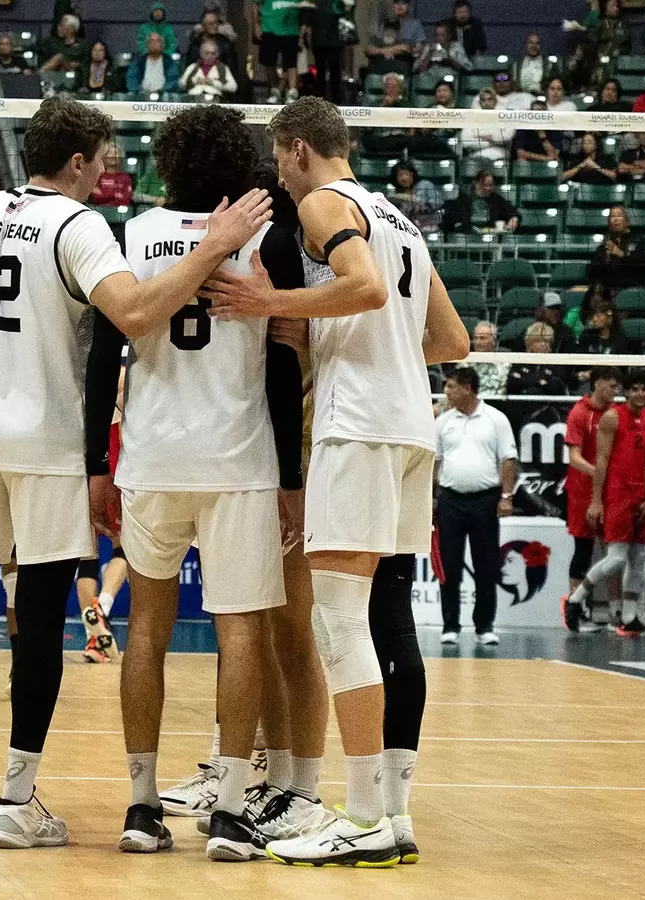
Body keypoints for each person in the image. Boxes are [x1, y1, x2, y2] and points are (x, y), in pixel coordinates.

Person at [0, 96, 273, 850]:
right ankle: (16, 804)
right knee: (37, 621)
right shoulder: (79, 228)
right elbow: (139, 315)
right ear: (77, 162)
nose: (109, 176)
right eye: (104, 162)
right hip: (44, 448)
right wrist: (214, 247)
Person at [203, 95, 470, 867]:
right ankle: (393, 812)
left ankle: (361, 819)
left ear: (293, 150)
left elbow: (363, 287)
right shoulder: (401, 218)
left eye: (279, 166)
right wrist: (342, 339)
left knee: (340, 624)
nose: (283, 186)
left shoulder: (325, 200)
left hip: (358, 429)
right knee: (378, 621)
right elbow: (449, 339)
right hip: (411, 428)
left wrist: (271, 302)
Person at [85, 105, 303, 861]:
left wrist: (95, 464)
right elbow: (282, 364)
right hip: (240, 460)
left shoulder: (131, 234)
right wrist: (293, 477)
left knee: (146, 628)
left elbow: (99, 364)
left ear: (168, 162)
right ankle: (233, 810)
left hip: (151, 456)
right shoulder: (265, 236)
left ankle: (142, 805)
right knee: (240, 630)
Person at [573, 368, 645, 635]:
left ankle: (630, 616)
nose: (639, 394)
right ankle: (576, 599)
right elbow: (601, 460)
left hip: (640, 495)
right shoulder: (612, 418)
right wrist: (597, 500)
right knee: (617, 559)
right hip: (618, 495)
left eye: (644, 389)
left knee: (637, 560)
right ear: (625, 391)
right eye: (634, 389)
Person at [434, 366, 516, 645]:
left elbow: (508, 459)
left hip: (484, 500)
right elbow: (435, 462)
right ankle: (450, 626)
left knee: (487, 565)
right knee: (449, 566)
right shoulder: (443, 422)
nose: (446, 391)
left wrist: (506, 497)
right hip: (450, 500)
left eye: (451, 386)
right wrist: (433, 498)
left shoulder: (496, 419)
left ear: (468, 387)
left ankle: (484, 626)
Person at [561, 366, 620, 632]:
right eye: (610, 385)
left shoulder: (617, 413)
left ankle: (616, 611)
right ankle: (577, 610)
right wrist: (600, 474)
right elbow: (574, 457)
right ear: (596, 384)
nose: (614, 390)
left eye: (617, 386)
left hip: (614, 492)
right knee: (583, 550)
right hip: (583, 492)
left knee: (615, 553)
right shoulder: (580, 413)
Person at [587, 205, 645, 295]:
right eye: (612, 216)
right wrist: (605, 261)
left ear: (627, 221)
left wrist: (622, 254)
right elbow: (591, 271)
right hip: (609, 293)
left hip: (635, 291)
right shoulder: (604, 246)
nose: (615, 219)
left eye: (619, 215)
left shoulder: (640, 240)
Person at [303, 0, 350, 104]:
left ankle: (334, 100)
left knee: (333, 71)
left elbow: (346, 12)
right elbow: (309, 21)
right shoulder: (314, 2)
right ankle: (321, 99)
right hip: (321, 41)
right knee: (322, 71)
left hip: (333, 40)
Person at [256, 0, 303, 103]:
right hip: (268, 27)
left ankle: (292, 92)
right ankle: (274, 90)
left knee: (291, 62)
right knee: (269, 62)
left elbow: (305, 6)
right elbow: (256, 5)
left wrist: (303, 29)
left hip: (290, 29)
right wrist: (256, 25)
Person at [445, 169, 517, 233]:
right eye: (484, 185)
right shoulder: (464, 198)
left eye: (491, 185)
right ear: (476, 183)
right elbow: (454, 218)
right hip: (469, 235)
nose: (488, 188)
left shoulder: (496, 199)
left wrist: (514, 219)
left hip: (490, 235)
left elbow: (513, 212)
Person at [506, 322, 568, 395]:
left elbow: (556, 385)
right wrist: (539, 382)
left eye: (547, 341)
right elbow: (513, 382)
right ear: (529, 342)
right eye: (539, 341)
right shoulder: (518, 362)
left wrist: (526, 381)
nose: (543, 344)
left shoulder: (554, 364)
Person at [366, 0, 424, 74]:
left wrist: (383, 51)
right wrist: (385, 51)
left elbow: (408, 48)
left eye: (403, 3)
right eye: (397, 3)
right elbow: (369, 48)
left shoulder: (415, 24)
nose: (399, 6)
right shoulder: (386, 22)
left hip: (404, 63)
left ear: (408, 6)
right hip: (381, 63)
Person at [387, 161, 443, 235]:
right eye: (400, 175)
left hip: (428, 225)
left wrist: (419, 203)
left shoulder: (425, 185)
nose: (404, 178)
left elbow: (438, 202)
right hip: (406, 229)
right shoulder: (396, 195)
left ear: (412, 174)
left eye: (406, 174)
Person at [459, 89, 511, 162]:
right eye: (483, 100)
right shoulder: (472, 119)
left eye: (490, 99)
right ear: (480, 102)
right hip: (476, 156)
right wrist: (490, 141)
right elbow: (465, 141)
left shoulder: (505, 117)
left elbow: (507, 137)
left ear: (495, 101)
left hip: (500, 155)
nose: (487, 102)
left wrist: (480, 137)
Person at [468, 321, 508, 395]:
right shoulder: (465, 364)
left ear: (494, 341)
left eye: (483, 338)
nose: (478, 342)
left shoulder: (506, 364)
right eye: (476, 338)